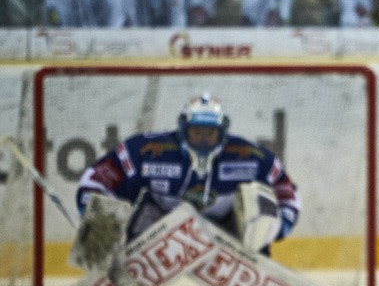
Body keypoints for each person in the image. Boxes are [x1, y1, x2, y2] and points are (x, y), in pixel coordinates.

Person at [75, 93, 300, 252]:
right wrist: (94, 214)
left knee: (258, 215)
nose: (203, 140)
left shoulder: (251, 157)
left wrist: (279, 227)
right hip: (158, 223)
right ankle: (112, 270)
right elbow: (98, 179)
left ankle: (256, 275)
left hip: (226, 229)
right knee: (120, 213)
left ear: (222, 133)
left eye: (210, 134)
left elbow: (285, 191)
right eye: (196, 132)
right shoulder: (144, 150)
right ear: (183, 130)